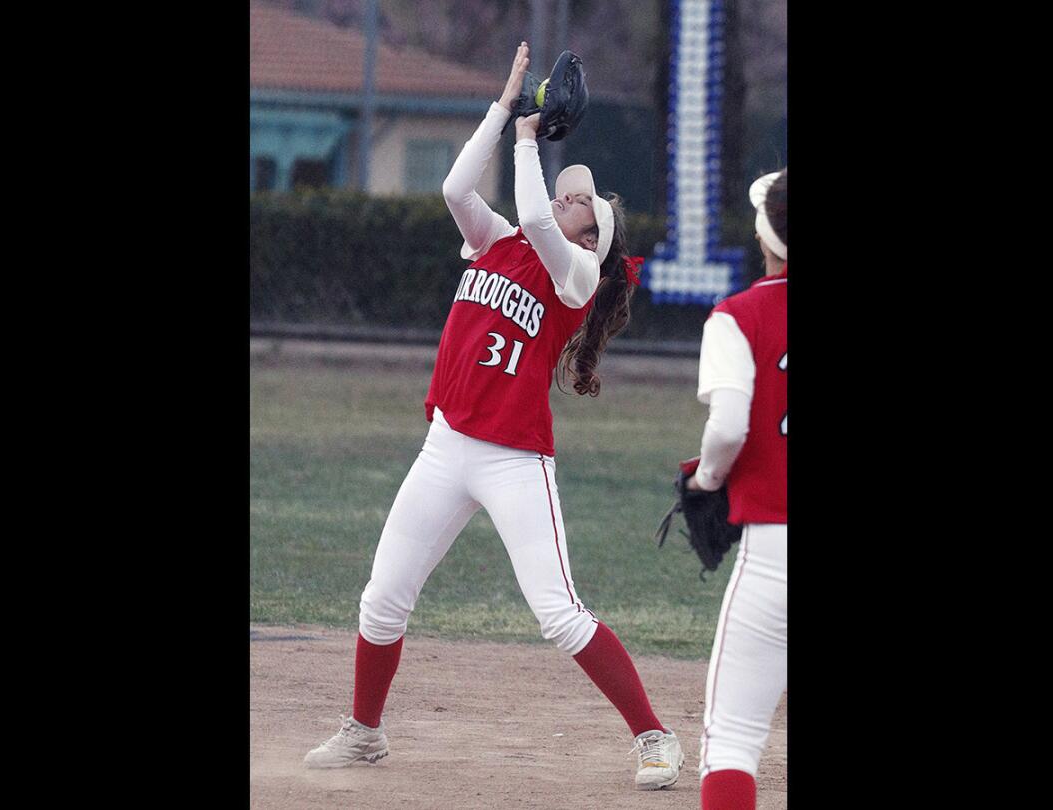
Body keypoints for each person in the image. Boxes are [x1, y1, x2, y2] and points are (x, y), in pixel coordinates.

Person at [304, 42, 685, 791]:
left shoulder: (573, 275)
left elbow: (541, 222)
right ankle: (365, 732)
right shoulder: (498, 241)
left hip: (513, 458)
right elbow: (453, 186)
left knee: (558, 613)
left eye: (586, 203)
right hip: (447, 444)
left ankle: (655, 735)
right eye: (572, 192)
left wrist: (524, 143)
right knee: (382, 599)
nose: (574, 197)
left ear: (593, 242)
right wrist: (503, 107)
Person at [689, 169, 788, 810]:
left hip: (776, 553)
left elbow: (727, 426)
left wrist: (707, 477)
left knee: (732, 742)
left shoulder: (738, 316)